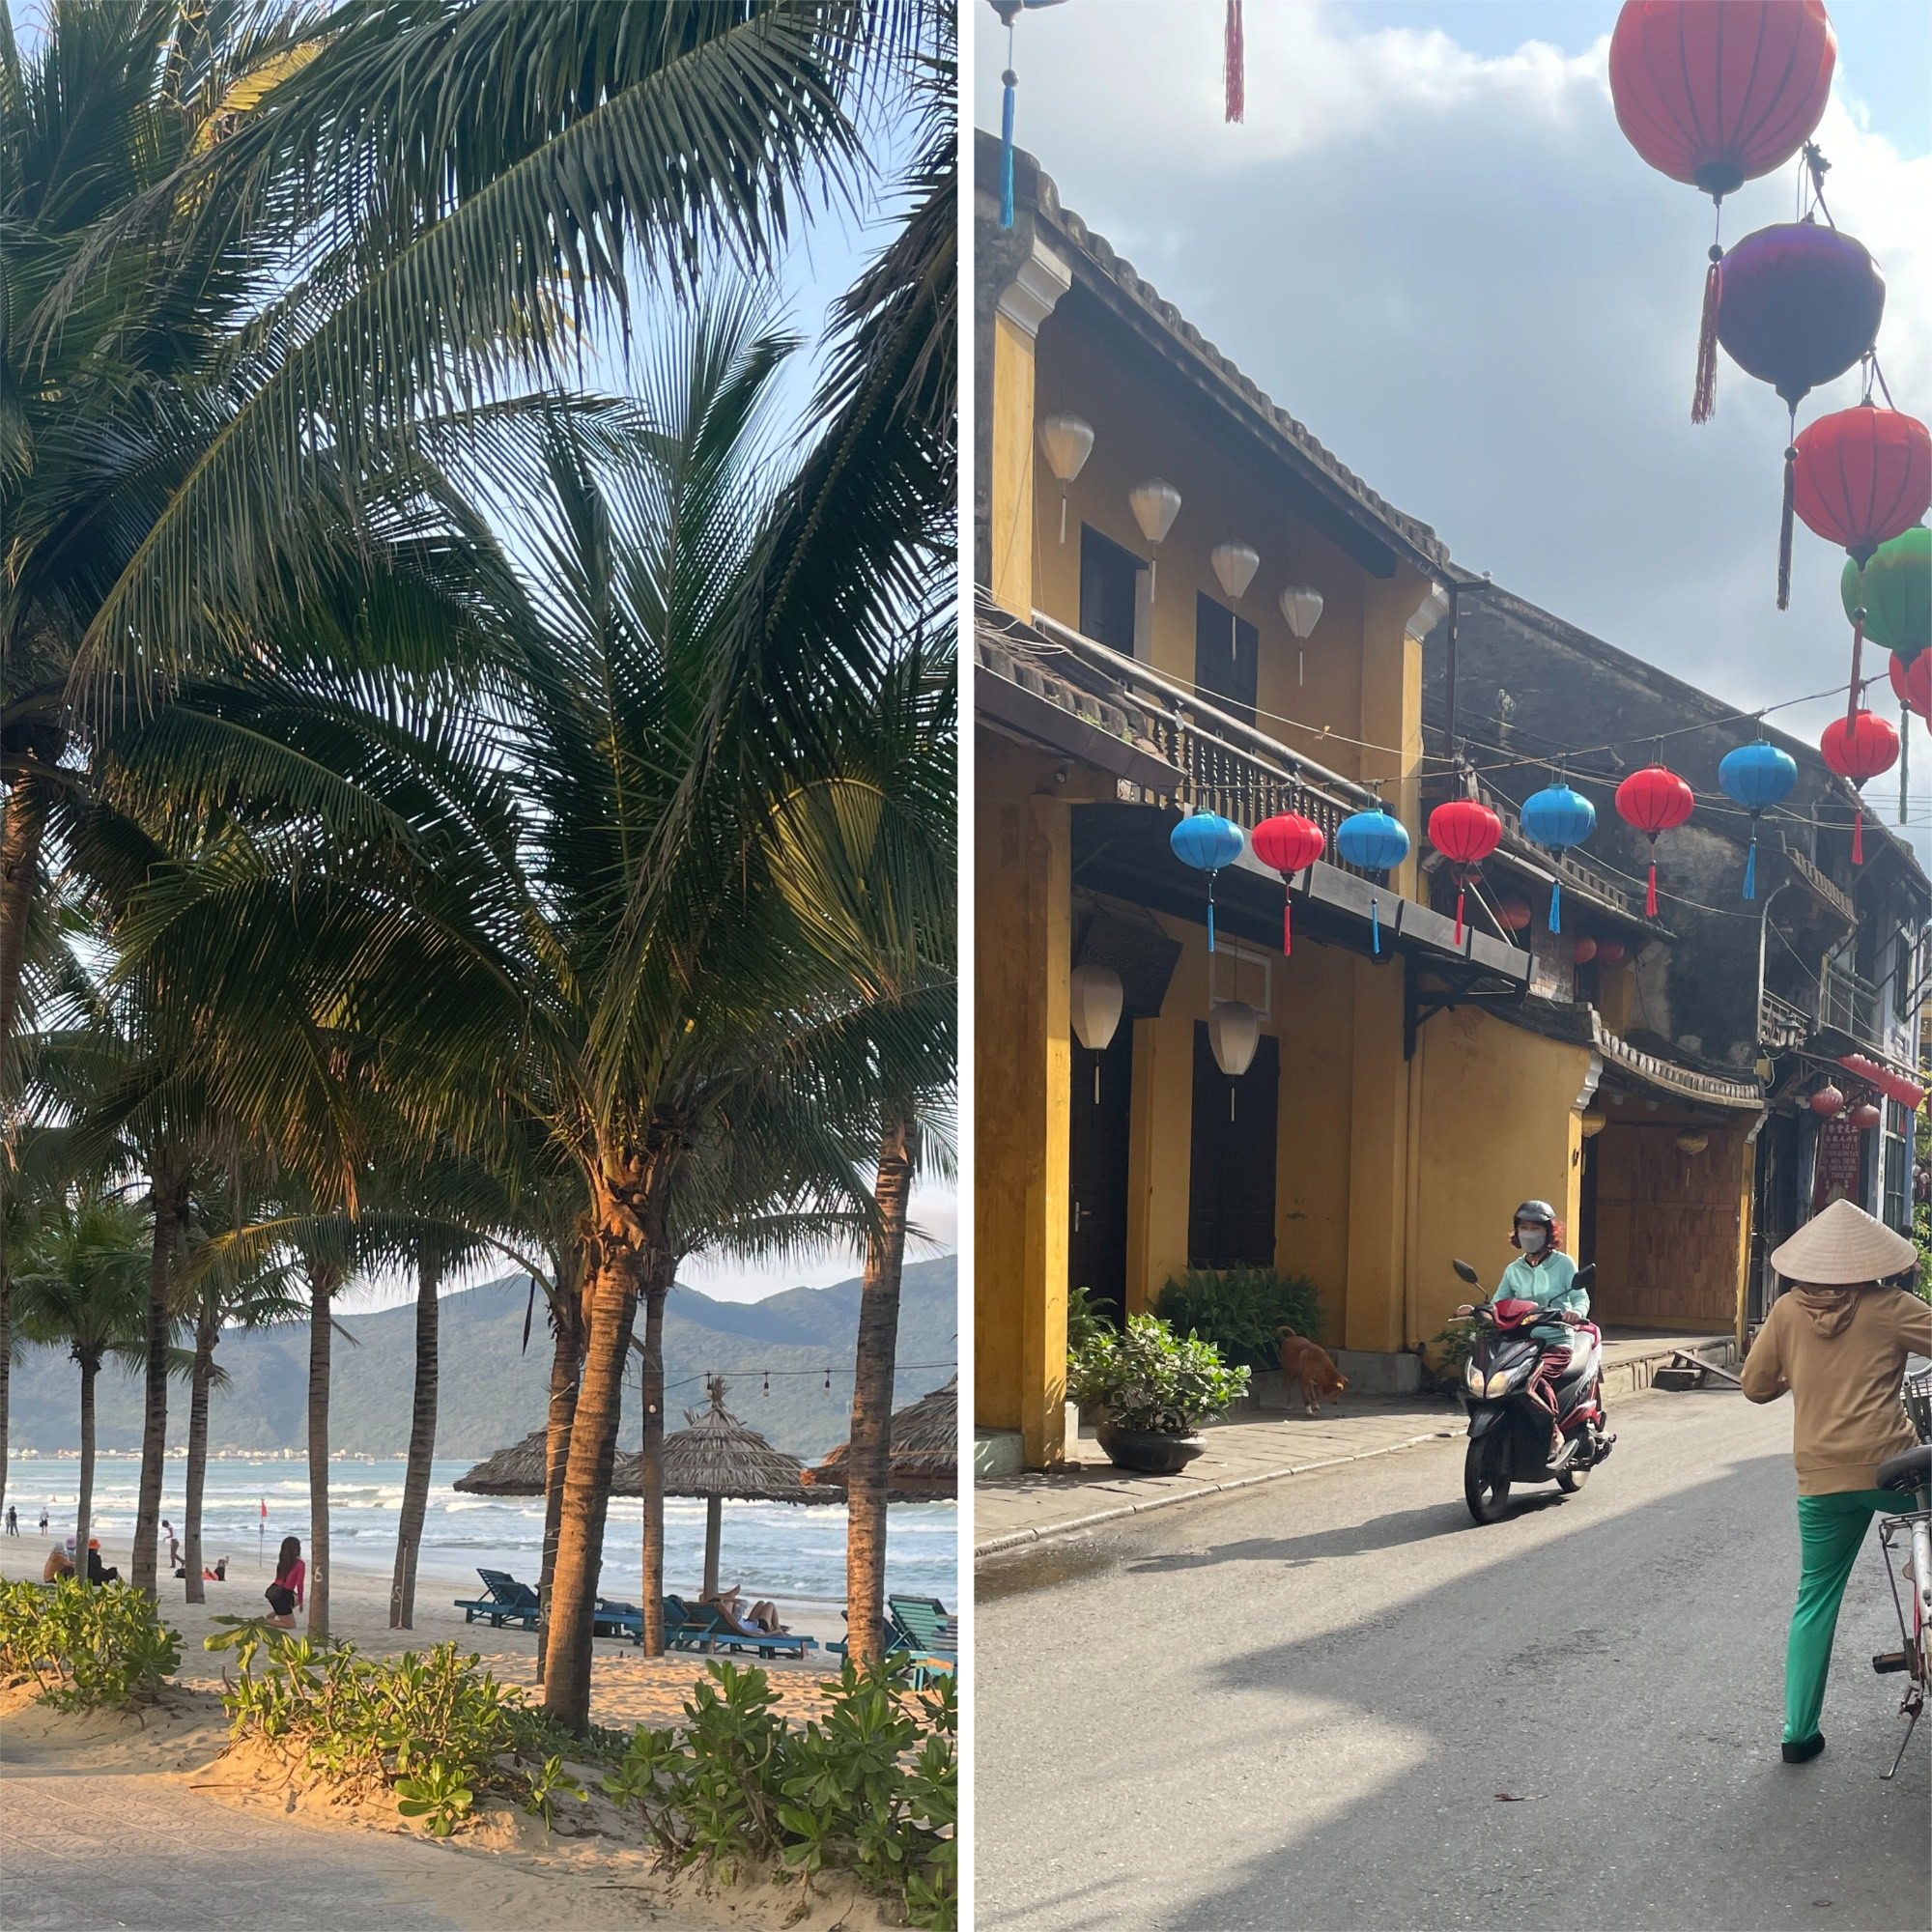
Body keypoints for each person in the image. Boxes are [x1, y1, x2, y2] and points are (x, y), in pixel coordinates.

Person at [1741, 1198, 1932, 1765]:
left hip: (1821, 1477)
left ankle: (1798, 1734)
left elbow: (1755, 1387)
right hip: (1894, 1470)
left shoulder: (1786, 1312)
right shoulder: (1890, 1305)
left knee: (1815, 1598)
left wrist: (1794, 1378)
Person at [1457, 1199, 1589, 1459]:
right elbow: (1498, 1303)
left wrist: (1576, 1313)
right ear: (1516, 1232)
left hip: (1554, 1340)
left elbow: (1581, 1297)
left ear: (1549, 1233)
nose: (1529, 1233)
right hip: (1518, 1341)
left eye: (1536, 1228)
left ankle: (1553, 1432)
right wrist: (1475, 1310)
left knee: (1533, 1378)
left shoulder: (1563, 1264)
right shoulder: (1513, 1269)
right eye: (1524, 1227)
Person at [264, 1536, 304, 1627]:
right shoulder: (300, 1564)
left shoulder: (282, 1561)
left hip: (274, 1590)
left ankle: (272, 1615)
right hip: (282, 1596)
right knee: (290, 1625)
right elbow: (300, 1585)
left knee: (296, 1599)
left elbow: (280, 1579)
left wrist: (297, 1598)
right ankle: (265, 1621)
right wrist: (301, 1602)